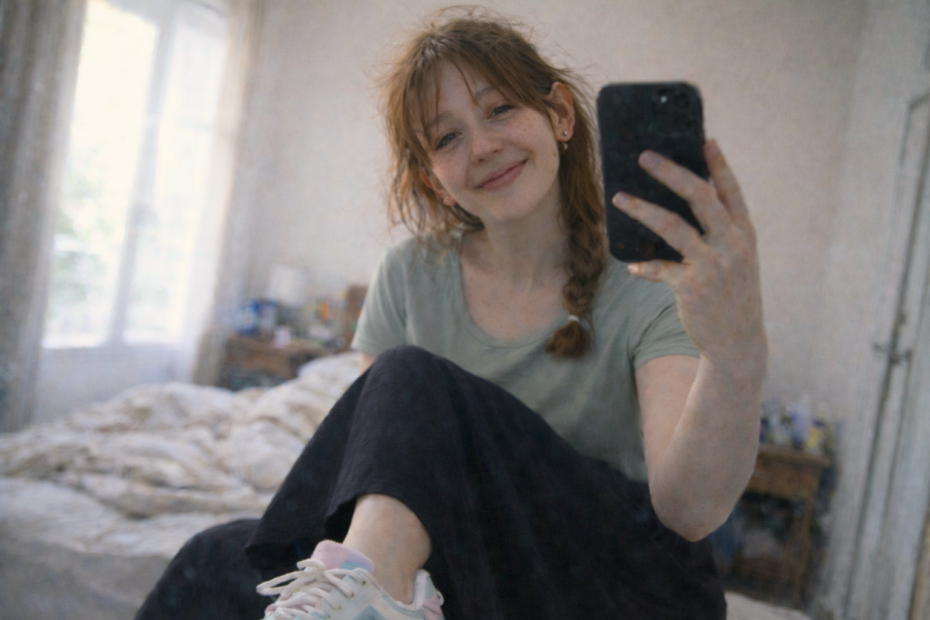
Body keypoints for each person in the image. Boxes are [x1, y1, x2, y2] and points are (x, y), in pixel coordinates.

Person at [135, 7, 766, 620]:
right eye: (447, 137)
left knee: (411, 376)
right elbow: (379, 468)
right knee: (214, 559)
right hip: (472, 564)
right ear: (436, 179)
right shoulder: (409, 274)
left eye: (500, 109)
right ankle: (373, 598)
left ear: (560, 115)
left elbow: (689, 512)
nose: (484, 146)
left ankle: (370, 600)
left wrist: (736, 352)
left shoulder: (650, 279)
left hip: (622, 585)